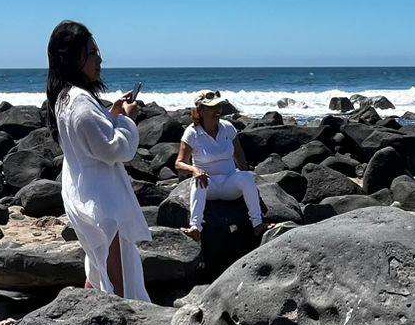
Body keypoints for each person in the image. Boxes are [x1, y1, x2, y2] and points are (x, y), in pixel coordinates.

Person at [43, 20, 150, 300]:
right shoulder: (79, 102)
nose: (100, 59)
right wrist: (126, 119)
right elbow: (113, 149)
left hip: (84, 190)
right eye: (92, 53)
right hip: (102, 199)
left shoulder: (64, 97)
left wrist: (111, 115)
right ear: (73, 58)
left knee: (97, 267)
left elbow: (89, 137)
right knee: (119, 284)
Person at [174, 90, 264, 241]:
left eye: (219, 106)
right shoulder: (192, 133)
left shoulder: (227, 127)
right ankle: (195, 228)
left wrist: (248, 182)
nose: (217, 111)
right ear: (200, 111)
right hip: (209, 185)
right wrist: (194, 170)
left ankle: (258, 224)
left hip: (230, 182)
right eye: (211, 108)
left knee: (246, 178)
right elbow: (179, 163)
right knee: (198, 182)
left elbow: (239, 154)